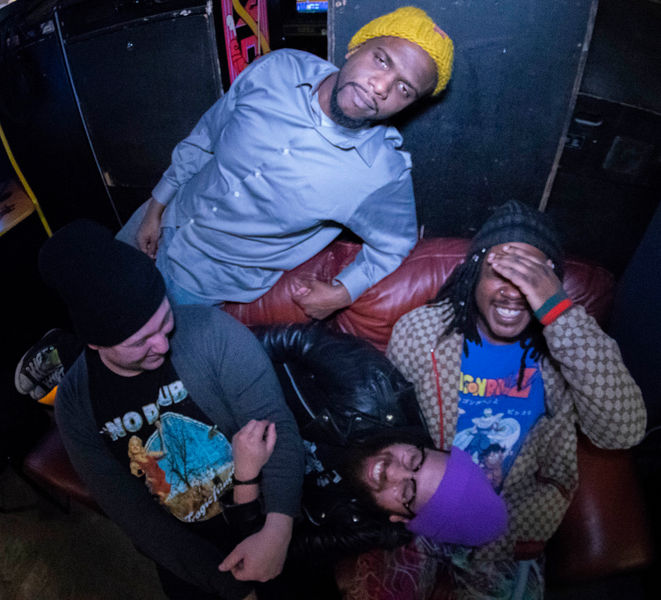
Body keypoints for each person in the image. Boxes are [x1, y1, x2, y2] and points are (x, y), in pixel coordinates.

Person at [339, 200, 648, 599]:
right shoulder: (421, 334)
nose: (513, 290)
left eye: (532, 275)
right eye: (500, 272)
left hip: (513, 526)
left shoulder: (570, 348)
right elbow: (392, 422)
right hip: (420, 512)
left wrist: (558, 313)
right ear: (474, 276)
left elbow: (623, 432)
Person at [117, 6, 454, 318]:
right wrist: (157, 205)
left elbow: (395, 245)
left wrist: (343, 292)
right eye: (381, 60)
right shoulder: (277, 69)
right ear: (356, 48)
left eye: (404, 89)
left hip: (198, 283)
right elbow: (207, 135)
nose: (381, 86)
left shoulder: (382, 174)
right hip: (163, 214)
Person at [37, 219, 304, 600]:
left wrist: (278, 529)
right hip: (193, 554)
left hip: (266, 508)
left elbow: (276, 425)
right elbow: (136, 517)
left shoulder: (212, 332)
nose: (162, 345)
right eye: (141, 341)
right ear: (96, 344)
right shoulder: (76, 406)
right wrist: (232, 589)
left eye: (165, 321)